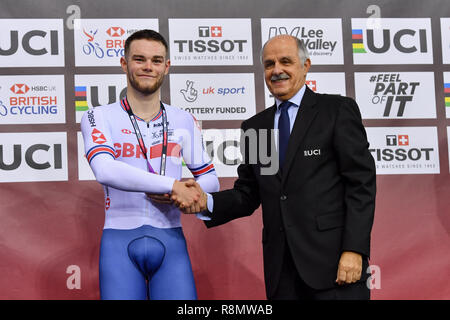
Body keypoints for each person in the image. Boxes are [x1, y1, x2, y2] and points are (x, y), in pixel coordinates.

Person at [180, 35, 376, 300]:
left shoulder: (336, 111)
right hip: (281, 273)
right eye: (269, 64)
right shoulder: (256, 127)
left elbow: (361, 184)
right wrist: (206, 202)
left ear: (306, 65)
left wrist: (355, 250)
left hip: (336, 267)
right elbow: (248, 194)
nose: (277, 70)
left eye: (286, 61)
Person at [80, 29, 219, 300]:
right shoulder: (98, 116)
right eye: (139, 59)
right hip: (118, 241)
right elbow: (105, 170)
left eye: (156, 60)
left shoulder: (183, 119)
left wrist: (187, 192)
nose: (148, 67)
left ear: (166, 67)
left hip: (171, 239)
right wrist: (172, 185)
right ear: (124, 64)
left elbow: (210, 178)